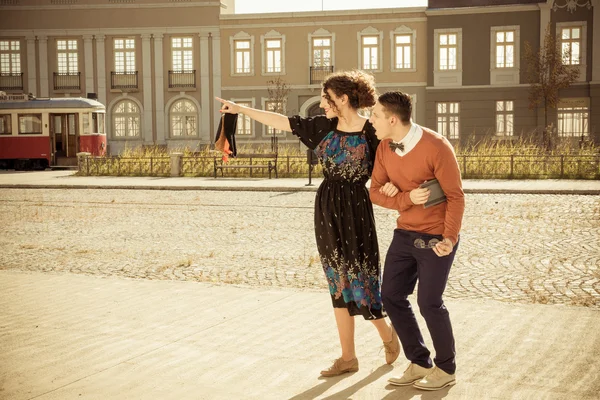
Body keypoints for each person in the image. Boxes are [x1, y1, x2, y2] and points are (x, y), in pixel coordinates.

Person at [216, 70, 400, 377]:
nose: (323, 103)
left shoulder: (372, 131)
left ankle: (388, 335)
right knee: (337, 284)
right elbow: (280, 120)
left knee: (362, 282)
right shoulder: (321, 127)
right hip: (328, 208)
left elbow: (396, 161)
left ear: (343, 99)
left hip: (357, 210)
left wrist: (395, 185)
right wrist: (240, 109)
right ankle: (348, 357)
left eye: (327, 98)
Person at [368, 91, 465, 391]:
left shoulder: (436, 146)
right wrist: (407, 199)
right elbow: (373, 192)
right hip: (405, 233)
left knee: (429, 303)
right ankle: (419, 361)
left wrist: (449, 238)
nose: (370, 121)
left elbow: (455, 196)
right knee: (391, 296)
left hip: (436, 236)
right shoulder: (384, 147)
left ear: (392, 119)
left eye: (374, 115)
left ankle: (446, 368)